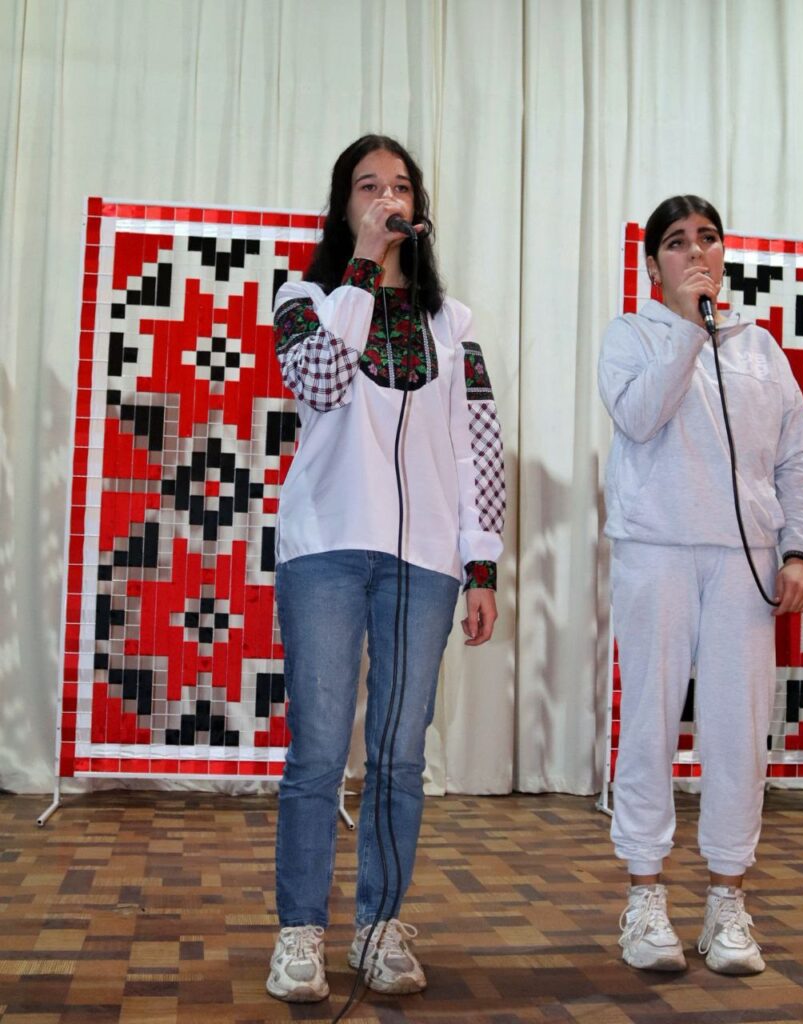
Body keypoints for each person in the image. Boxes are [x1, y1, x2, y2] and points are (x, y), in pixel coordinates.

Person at [266, 134, 505, 1003]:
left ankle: (379, 927)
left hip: (425, 559)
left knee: (400, 755)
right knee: (319, 751)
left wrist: (481, 563)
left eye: (399, 187)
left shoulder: (453, 323)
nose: (385, 199)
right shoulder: (305, 298)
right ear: (343, 206)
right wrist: (362, 269)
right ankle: (300, 933)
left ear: (419, 206)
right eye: (367, 187)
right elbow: (321, 383)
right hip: (327, 546)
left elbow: (478, 444)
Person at [598, 195, 803, 975]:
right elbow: (637, 418)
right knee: (649, 721)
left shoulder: (760, 348)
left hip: (743, 560)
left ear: (723, 253)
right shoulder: (629, 335)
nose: (694, 251)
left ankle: (727, 898)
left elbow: (794, 459)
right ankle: (644, 895)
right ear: (651, 264)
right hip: (653, 548)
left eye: (706, 238)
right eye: (676, 241)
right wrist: (689, 332)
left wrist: (798, 551)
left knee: (737, 730)